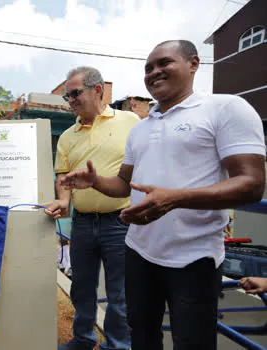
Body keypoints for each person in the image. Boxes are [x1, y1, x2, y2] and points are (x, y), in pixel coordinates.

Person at [61, 40, 266, 349]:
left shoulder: (226, 108)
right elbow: (122, 185)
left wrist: (175, 198)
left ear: (194, 64)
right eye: (148, 68)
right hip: (138, 252)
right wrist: (95, 181)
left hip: (194, 257)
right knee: (142, 338)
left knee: (191, 341)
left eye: (164, 63)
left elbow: (251, 184)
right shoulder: (142, 128)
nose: (154, 72)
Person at [43, 66, 139, 350]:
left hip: (120, 221)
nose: (70, 100)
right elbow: (63, 177)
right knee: (81, 288)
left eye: (75, 93)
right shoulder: (67, 136)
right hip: (83, 222)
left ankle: (117, 345)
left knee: (119, 293)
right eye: (66, 96)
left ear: (98, 90)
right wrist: (63, 201)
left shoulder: (131, 121)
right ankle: (83, 341)